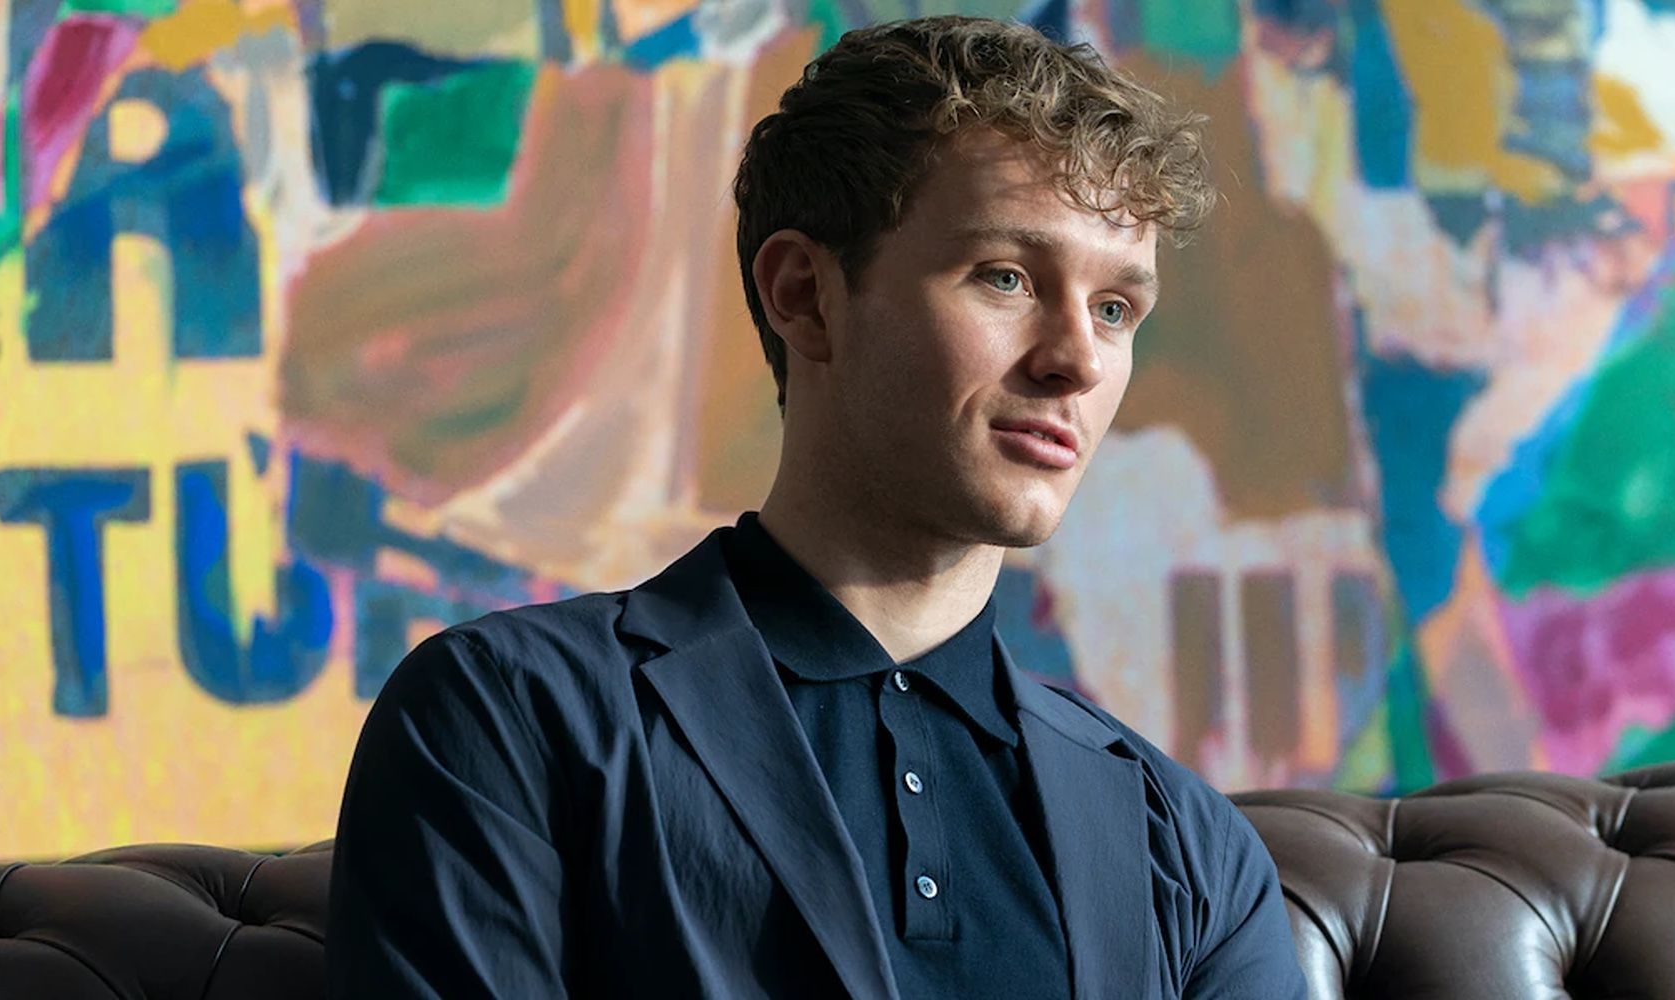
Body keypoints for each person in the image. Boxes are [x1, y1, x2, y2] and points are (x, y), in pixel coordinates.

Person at [326, 15, 1308, 999]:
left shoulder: (1182, 842)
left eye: (1113, 309)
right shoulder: (509, 720)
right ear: (803, 295)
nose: (1078, 361)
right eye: (1004, 276)